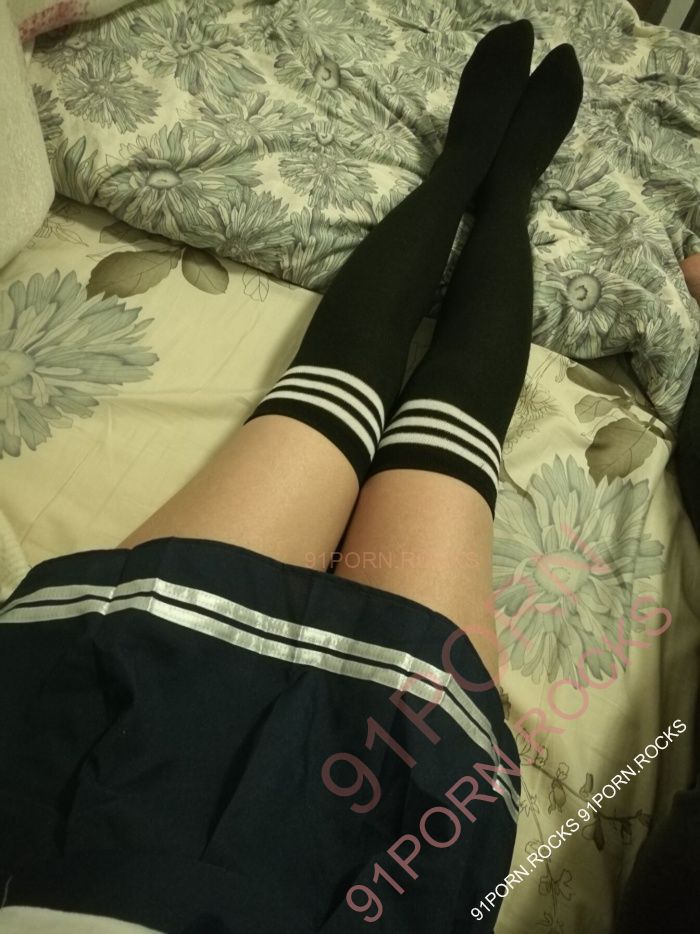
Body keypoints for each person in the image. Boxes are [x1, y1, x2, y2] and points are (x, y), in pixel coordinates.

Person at [0, 21, 583, 934]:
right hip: (361, 848)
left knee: (324, 404)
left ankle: (468, 170)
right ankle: (503, 188)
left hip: (71, 795)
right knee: (446, 451)